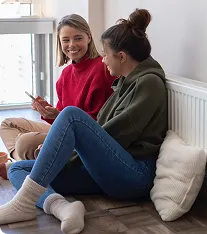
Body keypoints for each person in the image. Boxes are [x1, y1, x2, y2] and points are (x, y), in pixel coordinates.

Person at [0, 8, 167, 234]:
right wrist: (55, 157)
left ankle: (23, 202)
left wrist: (63, 157)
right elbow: (103, 136)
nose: (103, 59)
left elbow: (116, 136)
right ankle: (63, 209)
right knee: (18, 168)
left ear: (122, 56)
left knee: (70, 114)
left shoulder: (149, 84)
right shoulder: (125, 83)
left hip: (133, 175)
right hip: (107, 170)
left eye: (105, 53)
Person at [0, 14, 116, 179]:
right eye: (66, 40)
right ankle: (24, 165)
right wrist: (48, 110)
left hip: (82, 138)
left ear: (89, 38)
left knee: (24, 143)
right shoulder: (66, 73)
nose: (72, 45)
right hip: (63, 129)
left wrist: (59, 116)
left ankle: (22, 167)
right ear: (59, 42)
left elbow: (98, 124)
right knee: (7, 124)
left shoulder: (101, 69)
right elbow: (61, 115)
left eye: (78, 38)